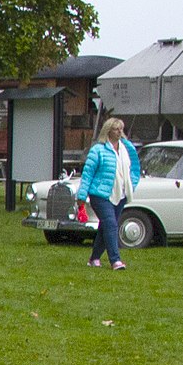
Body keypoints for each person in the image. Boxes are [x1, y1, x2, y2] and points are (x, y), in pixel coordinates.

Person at [77, 116, 137, 270]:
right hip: (100, 194)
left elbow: (134, 169)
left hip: (121, 194)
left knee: (105, 227)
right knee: (111, 224)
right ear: (108, 131)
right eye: (116, 129)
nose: (119, 132)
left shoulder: (126, 149)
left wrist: (132, 185)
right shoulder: (98, 150)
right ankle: (115, 260)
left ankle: (94, 258)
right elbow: (88, 173)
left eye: (121, 129)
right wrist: (82, 195)